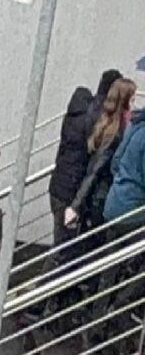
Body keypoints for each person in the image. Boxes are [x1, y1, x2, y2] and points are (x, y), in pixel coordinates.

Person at [52, 70, 122, 244]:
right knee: (64, 249)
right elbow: (94, 163)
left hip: (59, 184)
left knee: (64, 246)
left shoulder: (78, 111)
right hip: (72, 189)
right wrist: (77, 204)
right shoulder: (96, 117)